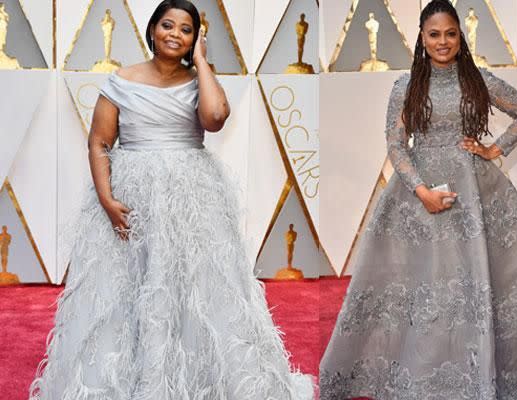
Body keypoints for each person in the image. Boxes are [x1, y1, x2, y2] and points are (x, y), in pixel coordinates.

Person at [319, 1, 517, 399]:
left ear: (459, 37)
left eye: (450, 33)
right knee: (420, 283)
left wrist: (494, 149)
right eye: (434, 34)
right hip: (419, 192)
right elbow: (396, 146)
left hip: (472, 191)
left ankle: (479, 367)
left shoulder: (476, 80)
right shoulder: (405, 87)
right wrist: (420, 191)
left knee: (485, 278)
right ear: (422, 38)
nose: (443, 41)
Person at [29, 1, 313, 399]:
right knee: (130, 287)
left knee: (195, 286)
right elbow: (98, 142)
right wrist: (108, 200)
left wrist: (201, 62)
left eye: (186, 30)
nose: (175, 34)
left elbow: (215, 118)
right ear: (152, 29)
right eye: (168, 25)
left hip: (191, 200)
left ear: (196, 39)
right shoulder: (121, 80)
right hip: (133, 198)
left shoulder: (200, 82)